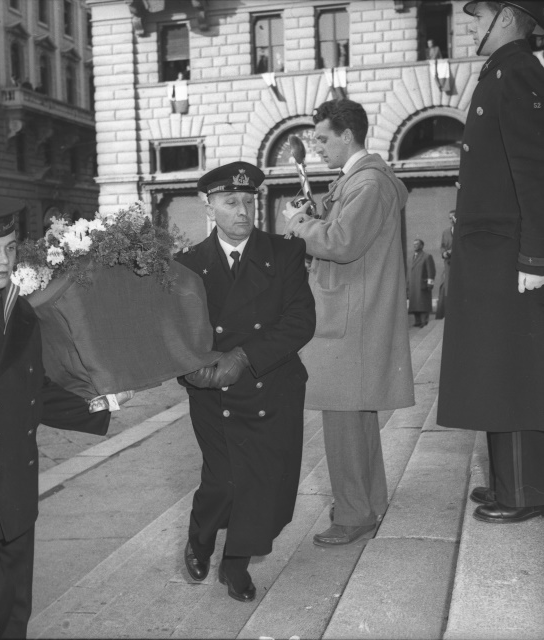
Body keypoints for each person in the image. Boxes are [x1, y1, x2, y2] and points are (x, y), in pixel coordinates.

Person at [0, 196, 132, 638]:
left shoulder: (20, 309)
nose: (4, 260)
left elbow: (34, 391)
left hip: (16, 482)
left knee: (17, 605)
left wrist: (103, 402)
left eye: (10, 247)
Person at [174, 162, 315, 602]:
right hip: (213, 391)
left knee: (261, 484)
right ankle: (200, 538)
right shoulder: (187, 264)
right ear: (209, 208)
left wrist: (244, 356)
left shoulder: (285, 252)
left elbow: (300, 321)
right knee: (224, 479)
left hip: (270, 383)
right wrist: (190, 368)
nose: (242, 211)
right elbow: (175, 332)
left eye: (249, 201)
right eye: (231, 202)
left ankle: (235, 565)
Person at [438, 1, 544, 523]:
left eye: (476, 14)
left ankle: (528, 492)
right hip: (495, 254)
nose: (469, 24)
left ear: (506, 16)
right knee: (499, 370)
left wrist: (539, 256)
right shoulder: (503, 72)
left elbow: (539, 171)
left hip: (512, 255)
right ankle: (512, 481)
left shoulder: (518, 72)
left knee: (516, 371)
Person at [283, 99, 414, 547]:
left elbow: (342, 243)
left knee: (342, 422)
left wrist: (300, 223)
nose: (317, 146)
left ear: (346, 135)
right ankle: (368, 504)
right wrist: (314, 217)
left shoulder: (367, 184)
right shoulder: (361, 181)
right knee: (357, 418)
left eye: (322, 138)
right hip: (352, 312)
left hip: (349, 317)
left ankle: (353, 514)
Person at [408, 239, 436, 327]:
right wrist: (407, 284)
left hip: (422, 284)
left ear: (422, 246)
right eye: (414, 244)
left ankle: (424, 321)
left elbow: (431, 271)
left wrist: (430, 283)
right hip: (413, 284)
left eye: (417, 244)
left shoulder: (427, 256)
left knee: (423, 303)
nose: (415, 246)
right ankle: (417, 321)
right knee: (414, 303)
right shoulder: (411, 258)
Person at [436, 211, 455, 320]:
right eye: (450, 218)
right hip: (448, 264)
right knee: (446, 287)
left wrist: (452, 251)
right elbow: (442, 246)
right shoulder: (446, 232)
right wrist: (444, 253)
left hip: (458, 264)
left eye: (453, 217)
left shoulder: (461, 230)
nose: (451, 220)